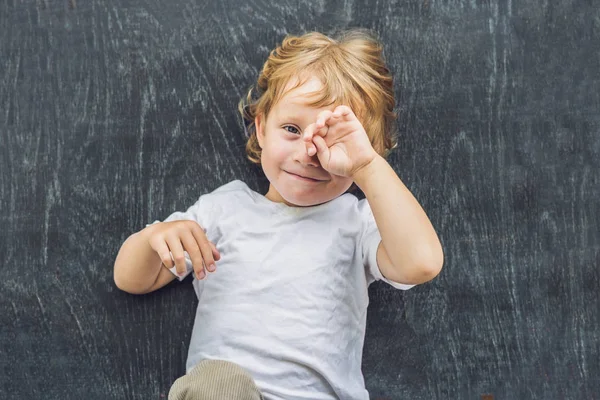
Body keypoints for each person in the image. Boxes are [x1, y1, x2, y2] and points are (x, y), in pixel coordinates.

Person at [113, 28, 444, 400]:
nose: (308, 153)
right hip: (224, 393)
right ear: (261, 128)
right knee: (218, 382)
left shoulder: (357, 222)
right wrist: (153, 238)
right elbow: (131, 279)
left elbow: (422, 264)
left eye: (331, 139)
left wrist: (365, 166)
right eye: (291, 129)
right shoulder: (224, 210)